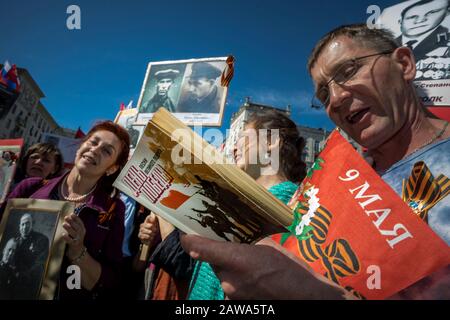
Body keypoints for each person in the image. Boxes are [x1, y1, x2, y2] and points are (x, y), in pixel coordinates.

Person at [181, 23, 449, 300]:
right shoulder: (333, 175)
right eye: (323, 94)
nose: (336, 98)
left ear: (404, 64)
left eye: (349, 70)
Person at [2, 120, 130, 300]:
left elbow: (108, 281)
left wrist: (78, 251)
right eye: (93, 142)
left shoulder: (113, 210)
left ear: (112, 168)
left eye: (107, 151)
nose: (95, 150)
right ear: (80, 147)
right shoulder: (29, 188)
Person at [187, 110, 307, 300]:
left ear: (271, 142)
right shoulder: (237, 201)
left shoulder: (293, 206)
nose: (234, 148)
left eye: (242, 138)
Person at [13, 213, 49, 299]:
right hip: (13, 284)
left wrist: (25, 275)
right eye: (23, 224)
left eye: (27, 223)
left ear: (32, 224)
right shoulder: (14, 241)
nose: (25, 227)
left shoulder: (41, 239)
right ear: (19, 226)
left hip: (31, 285)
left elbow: (40, 263)